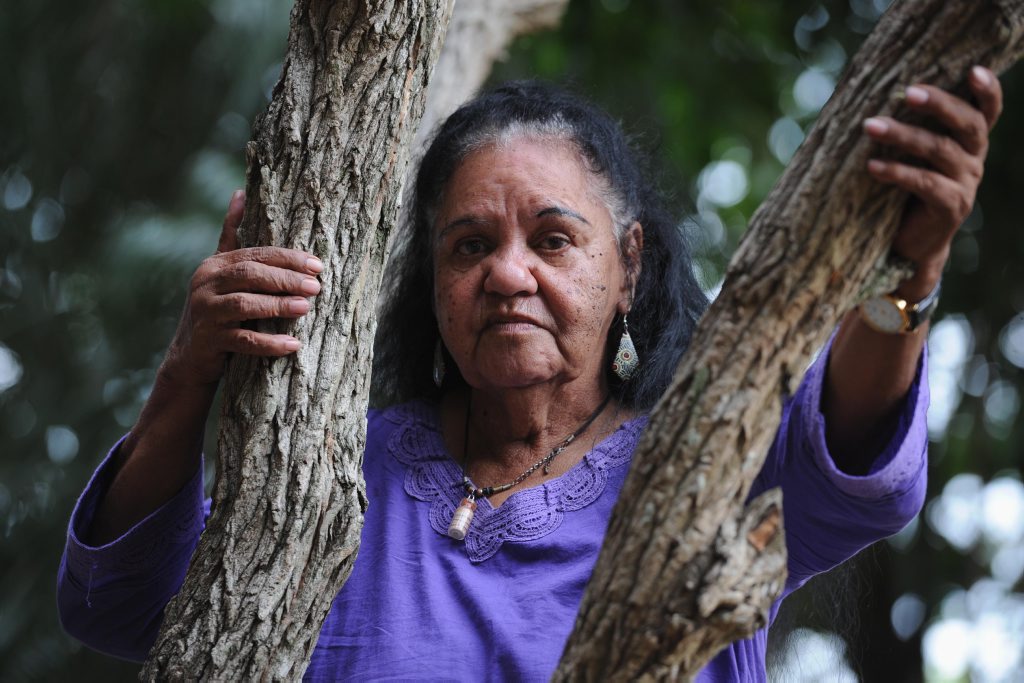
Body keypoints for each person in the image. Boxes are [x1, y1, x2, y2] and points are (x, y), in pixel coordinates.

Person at [57, 69, 1002, 680]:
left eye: (553, 238)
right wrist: (190, 369)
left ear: (629, 265)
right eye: (471, 245)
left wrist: (908, 272)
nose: (508, 274)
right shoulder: (334, 471)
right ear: (434, 283)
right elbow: (118, 605)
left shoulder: (709, 458)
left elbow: (860, 463)